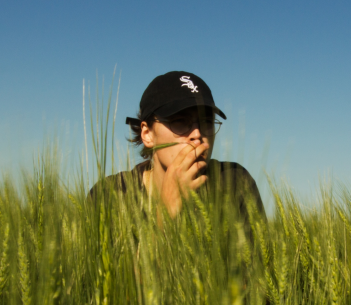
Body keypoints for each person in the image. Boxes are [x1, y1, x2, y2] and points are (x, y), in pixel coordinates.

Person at [91, 71, 264, 220]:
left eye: (206, 121)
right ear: (147, 134)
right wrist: (165, 215)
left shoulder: (234, 182)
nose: (197, 134)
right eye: (180, 121)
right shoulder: (109, 195)